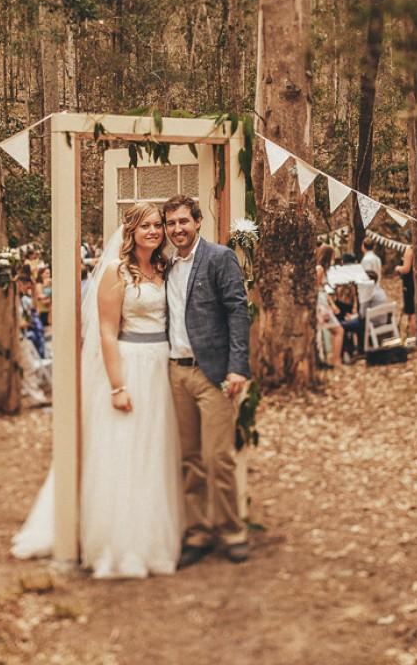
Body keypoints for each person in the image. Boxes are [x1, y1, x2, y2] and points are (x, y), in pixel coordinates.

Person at [12, 202, 184, 578]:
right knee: (125, 449)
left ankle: (156, 532)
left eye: (158, 225)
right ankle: (121, 544)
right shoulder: (114, 271)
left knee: (155, 450)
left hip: (162, 365)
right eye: (146, 226)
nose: (154, 232)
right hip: (130, 363)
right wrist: (117, 385)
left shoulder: (165, 268)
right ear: (131, 231)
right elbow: (107, 330)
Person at [162, 195, 251, 568]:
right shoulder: (165, 266)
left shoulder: (218, 257)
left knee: (218, 459)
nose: (177, 229)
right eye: (171, 224)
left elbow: (237, 310)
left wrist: (237, 367)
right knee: (190, 460)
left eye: (184, 221)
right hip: (175, 372)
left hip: (212, 373)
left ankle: (232, 532)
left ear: (198, 221)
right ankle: (198, 532)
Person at [315, 244, 344, 367]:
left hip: (324, 303)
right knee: (339, 330)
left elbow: (323, 289)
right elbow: (316, 289)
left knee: (334, 331)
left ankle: (333, 359)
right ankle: (336, 360)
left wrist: (332, 304)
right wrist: (326, 306)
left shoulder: (323, 269)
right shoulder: (319, 269)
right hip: (320, 305)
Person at [395, 244, 417, 337]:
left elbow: (406, 269)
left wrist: (398, 268)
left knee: (411, 312)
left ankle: (415, 336)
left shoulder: (410, 249)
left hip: (409, 283)